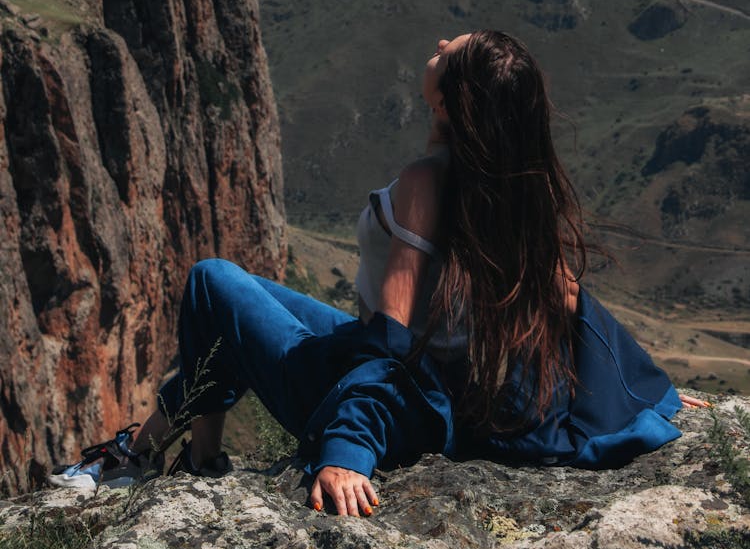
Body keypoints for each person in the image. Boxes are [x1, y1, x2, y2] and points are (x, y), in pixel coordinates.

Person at [50, 31, 703, 513]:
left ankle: (169, 457)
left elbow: (390, 345)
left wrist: (347, 448)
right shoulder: (514, 187)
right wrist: (652, 393)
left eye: (452, 50)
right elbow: (570, 302)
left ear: (451, 99)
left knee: (211, 283)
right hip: (426, 378)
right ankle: (184, 455)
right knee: (232, 307)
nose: (441, 40)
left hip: (385, 390)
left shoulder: (426, 183)